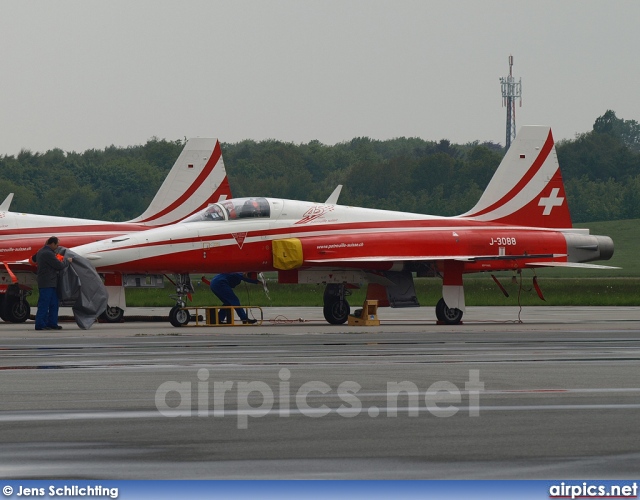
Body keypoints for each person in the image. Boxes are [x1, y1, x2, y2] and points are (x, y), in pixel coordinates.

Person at [33, 236, 72, 330]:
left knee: (53, 303)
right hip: (47, 283)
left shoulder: (42, 251)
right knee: (45, 303)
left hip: (49, 282)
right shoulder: (48, 253)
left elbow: (34, 258)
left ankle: (52, 323)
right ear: (52, 244)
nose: (57, 247)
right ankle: (40, 324)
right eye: (56, 245)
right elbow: (59, 265)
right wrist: (67, 261)